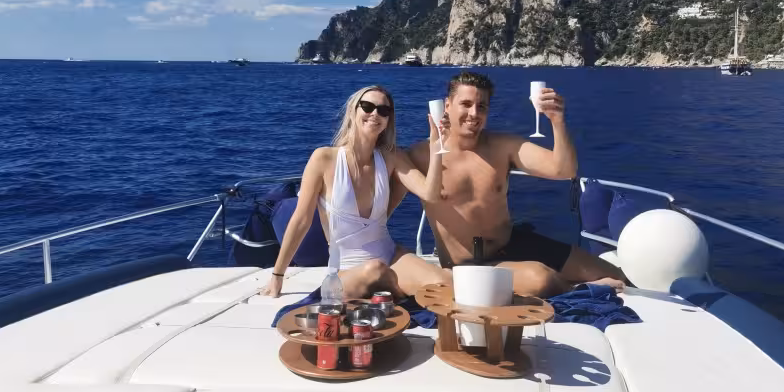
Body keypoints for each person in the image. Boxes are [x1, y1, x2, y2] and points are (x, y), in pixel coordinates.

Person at [407, 71, 624, 297]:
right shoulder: (422, 156)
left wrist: (557, 121)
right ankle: (579, 290)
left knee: (614, 274)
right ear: (448, 106)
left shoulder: (503, 146)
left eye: (482, 106)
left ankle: (582, 286)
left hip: (514, 243)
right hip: (468, 265)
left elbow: (564, 170)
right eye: (466, 104)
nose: (473, 113)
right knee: (540, 279)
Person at [261, 84, 448, 300]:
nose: (375, 114)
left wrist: (437, 147)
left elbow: (431, 194)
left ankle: (399, 291)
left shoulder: (392, 157)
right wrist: (277, 274)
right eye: (367, 106)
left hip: (389, 255)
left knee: (445, 283)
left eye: (383, 110)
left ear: (388, 120)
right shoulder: (324, 159)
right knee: (374, 270)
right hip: (346, 268)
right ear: (354, 111)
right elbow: (300, 221)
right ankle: (403, 292)